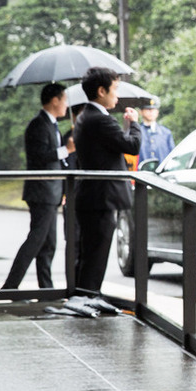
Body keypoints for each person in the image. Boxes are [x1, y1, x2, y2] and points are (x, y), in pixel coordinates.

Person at [73, 67, 142, 293]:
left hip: (91, 196)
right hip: (101, 198)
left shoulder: (85, 116)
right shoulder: (100, 120)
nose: (117, 96)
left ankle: (86, 295)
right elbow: (132, 145)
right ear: (101, 91)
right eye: (115, 90)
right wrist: (134, 123)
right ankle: (89, 296)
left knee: (89, 253)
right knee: (96, 253)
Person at [1, 83, 75, 291]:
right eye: (64, 100)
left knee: (48, 245)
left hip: (51, 192)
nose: (66, 105)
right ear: (54, 100)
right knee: (35, 241)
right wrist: (66, 150)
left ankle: (46, 289)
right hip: (41, 193)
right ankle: (10, 286)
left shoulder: (52, 125)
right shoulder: (38, 125)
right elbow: (40, 157)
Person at [137, 97, 175, 164]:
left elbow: (172, 157)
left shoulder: (166, 133)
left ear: (157, 112)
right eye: (148, 109)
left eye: (153, 109)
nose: (151, 112)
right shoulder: (136, 132)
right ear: (141, 112)